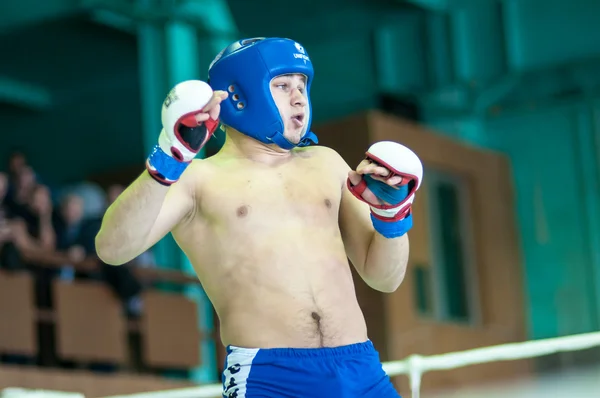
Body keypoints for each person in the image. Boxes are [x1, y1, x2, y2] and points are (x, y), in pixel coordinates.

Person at [95, 37, 422, 398]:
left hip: (360, 369)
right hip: (270, 378)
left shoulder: (326, 163)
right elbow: (112, 248)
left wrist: (392, 216)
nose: (299, 97)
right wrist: (169, 159)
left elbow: (385, 278)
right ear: (238, 95)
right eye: (283, 85)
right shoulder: (199, 179)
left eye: (302, 85)